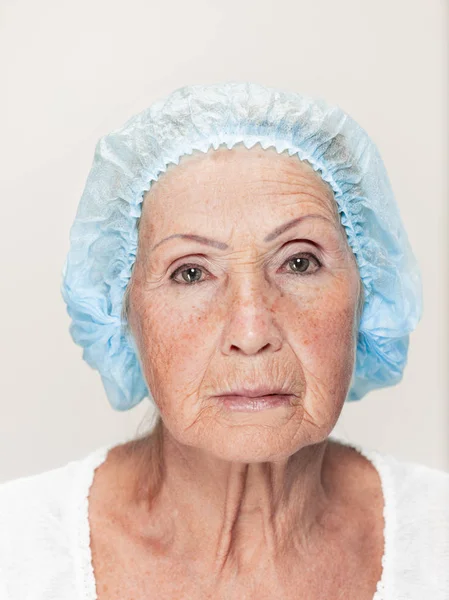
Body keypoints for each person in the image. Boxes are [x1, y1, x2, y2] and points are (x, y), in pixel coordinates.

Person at [0, 82, 448, 600]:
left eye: (300, 262)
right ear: (123, 311)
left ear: (367, 290)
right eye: (190, 273)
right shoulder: (15, 553)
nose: (252, 331)